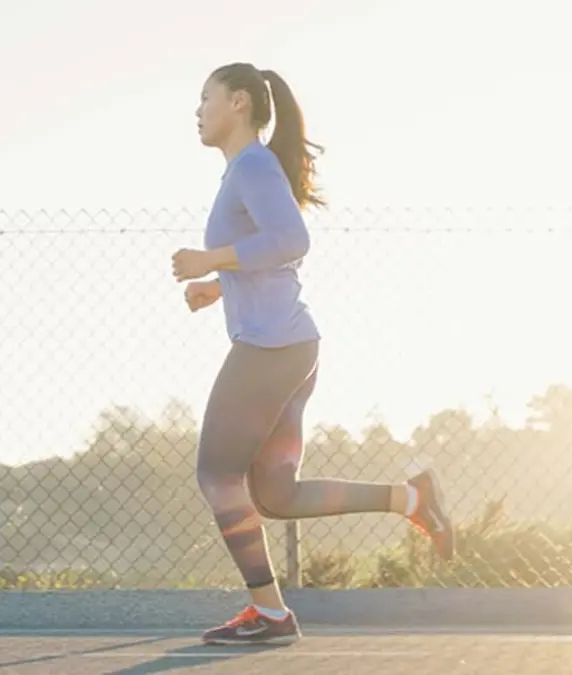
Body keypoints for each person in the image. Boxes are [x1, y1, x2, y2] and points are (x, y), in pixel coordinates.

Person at [171, 62, 455, 646]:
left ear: (241, 103)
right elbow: (274, 255)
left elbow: (292, 242)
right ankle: (412, 497)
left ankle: (271, 615)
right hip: (292, 346)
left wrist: (211, 260)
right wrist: (218, 286)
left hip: (271, 349)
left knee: (217, 475)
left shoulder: (251, 165)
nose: (198, 110)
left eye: (207, 98)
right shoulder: (246, 170)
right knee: (275, 494)